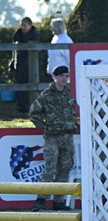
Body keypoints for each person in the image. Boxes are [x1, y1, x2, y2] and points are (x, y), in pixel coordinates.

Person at [29, 65, 78, 211]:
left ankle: (59, 200)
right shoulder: (46, 95)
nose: (64, 78)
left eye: (66, 75)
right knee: (49, 169)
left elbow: (73, 113)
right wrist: (45, 127)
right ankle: (41, 200)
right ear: (54, 77)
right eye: (62, 75)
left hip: (67, 136)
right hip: (52, 137)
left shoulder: (69, 94)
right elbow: (34, 113)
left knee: (65, 169)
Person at [10, 16, 39, 113]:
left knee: (30, 83)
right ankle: (21, 105)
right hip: (19, 62)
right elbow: (14, 50)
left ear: (30, 25)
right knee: (19, 82)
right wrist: (12, 62)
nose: (23, 27)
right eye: (22, 25)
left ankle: (29, 105)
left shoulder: (34, 35)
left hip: (30, 63)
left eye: (25, 25)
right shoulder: (17, 34)